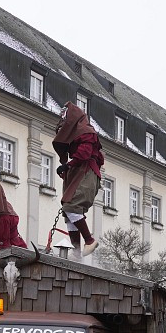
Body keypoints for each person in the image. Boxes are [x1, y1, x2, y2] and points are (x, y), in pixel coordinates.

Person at [52, 101, 104, 258]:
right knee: (69, 214)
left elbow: (84, 154)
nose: (62, 119)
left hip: (86, 172)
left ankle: (89, 240)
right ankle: (76, 252)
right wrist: (68, 168)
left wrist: (68, 165)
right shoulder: (77, 131)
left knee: (72, 207)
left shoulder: (86, 131)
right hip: (77, 172)